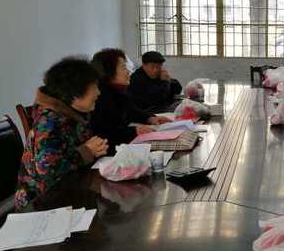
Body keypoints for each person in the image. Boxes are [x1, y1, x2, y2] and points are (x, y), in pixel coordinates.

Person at [14, 57, 109, 210]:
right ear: (74, 93)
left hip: (70, 188)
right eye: (94, 87)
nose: (98, 92)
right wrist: (86, 151)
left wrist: (93, 148)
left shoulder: (73, 112)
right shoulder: (49, 121)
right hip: (40, 202)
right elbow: (46, 169)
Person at [90, 48, 170, 154]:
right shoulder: (100, 97)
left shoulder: (119, 90)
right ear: (109, 72)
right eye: (123, 67)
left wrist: (150, 118)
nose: (128, 71)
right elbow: (104, 134)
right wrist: (134, 131)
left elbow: (131, 111)